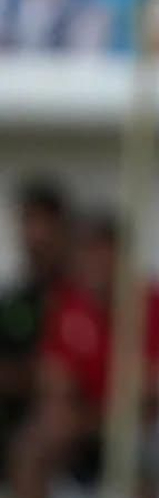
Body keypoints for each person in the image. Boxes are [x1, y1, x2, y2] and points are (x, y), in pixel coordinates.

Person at [9, 213, 159, 498]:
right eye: (89, 252)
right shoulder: (68, 303)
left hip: (136, 422)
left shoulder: (150, 302)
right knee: (31, 447)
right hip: (83, 423)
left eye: (104, 252)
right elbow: (54, 374)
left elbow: (150, 384)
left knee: (148, 457)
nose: (97, 263)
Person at [0, 179, 72, 459]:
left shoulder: (80, 297)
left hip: (66, 436)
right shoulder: (14, 299)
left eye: (45, 223)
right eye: (28, 222)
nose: (36, 235)